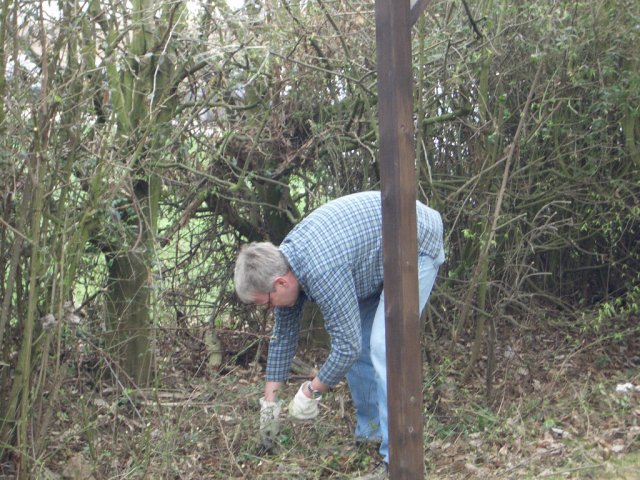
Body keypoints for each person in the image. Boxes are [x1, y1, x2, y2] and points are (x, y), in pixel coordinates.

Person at [234, 191, 444, 479]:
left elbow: (346, 347)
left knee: (384, 346)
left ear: (280, 283)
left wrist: (312, 391)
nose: (270, 310)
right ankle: (371, 433)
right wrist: (269, 405)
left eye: (267, 303)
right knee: (360, 342)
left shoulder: (320, 270)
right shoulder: (286, 261)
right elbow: (283, 337)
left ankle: (396, 463)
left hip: (415, 242)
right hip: (373, 263)